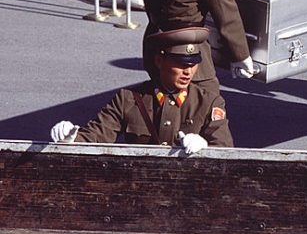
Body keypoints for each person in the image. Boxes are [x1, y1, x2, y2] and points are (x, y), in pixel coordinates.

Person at [50, 27, 234, 154]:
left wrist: (206, 148)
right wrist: (71, 140)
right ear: (159, 61)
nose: (188, 71)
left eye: (193, 64)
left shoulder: (209, 103)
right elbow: (96, 135)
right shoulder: (128, 99)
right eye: (180, 64)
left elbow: (226, 150)